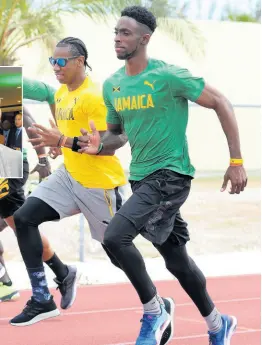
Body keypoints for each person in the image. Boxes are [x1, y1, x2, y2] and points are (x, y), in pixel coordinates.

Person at [72, 6, 248, 345]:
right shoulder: (113, 85)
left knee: (115, 237)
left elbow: (222, 102)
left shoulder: (168, 76)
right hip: (141, 177)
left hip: (170, 175)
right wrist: (98, 144)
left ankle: (155, 311)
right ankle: (217, 323)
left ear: (144, 38)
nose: (117, 38)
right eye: (116, 32)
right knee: (177, 261)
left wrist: (236, 160)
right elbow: (116, 136)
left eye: (125, 33)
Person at [10, 37, 132, 328]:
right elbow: (62, 115)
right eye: (53, 61)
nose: (55, 66)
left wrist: (63, 140)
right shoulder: (64, 93)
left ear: (79, 61)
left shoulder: (95, 95)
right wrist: (59, 143)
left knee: (118, 251)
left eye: (61, 61)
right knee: (23, 217)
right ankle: (41, 298)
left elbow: (113, 142)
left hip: (98, 183)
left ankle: (154, 300)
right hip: (69, 175)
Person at [0, 103, 76, 307]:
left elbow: (26, 117)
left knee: (22, 225)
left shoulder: (5, 83)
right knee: (20, 226)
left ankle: (42, 289)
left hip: (7, 167)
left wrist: (42, 158)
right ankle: (61, 272)